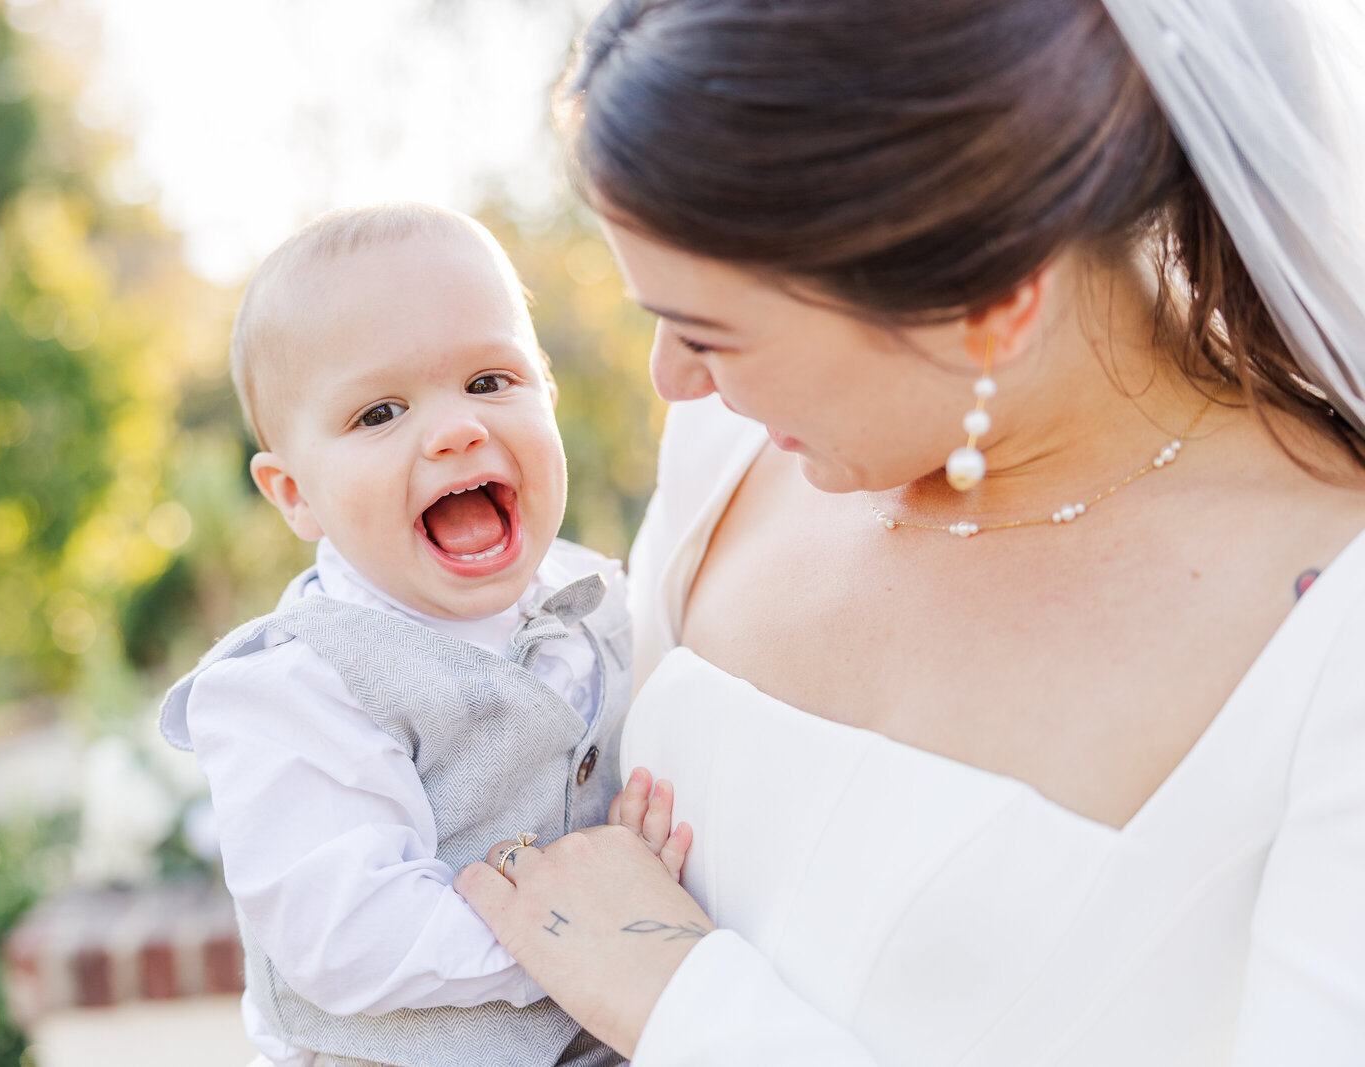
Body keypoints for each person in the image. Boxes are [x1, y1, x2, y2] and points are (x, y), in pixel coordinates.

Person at [453, 0, 1365, 1064]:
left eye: (712, 333)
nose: (673, 377)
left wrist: (680, 1001)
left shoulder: (1327, 631)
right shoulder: (728, 448)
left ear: (988, 300)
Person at [157, 203, 687, 1067]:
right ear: (293, 491)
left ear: (546, 395)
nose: (455, 429)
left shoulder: (598, 598)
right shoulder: (300, 683)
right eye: (378, 413)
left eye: (489, 382)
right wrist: (587, 934)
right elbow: (351, 933)